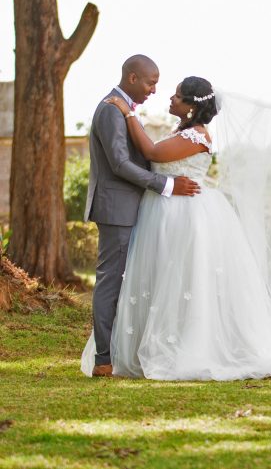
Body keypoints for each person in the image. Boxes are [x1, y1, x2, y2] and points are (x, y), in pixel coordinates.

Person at [81, 75, 271, 381]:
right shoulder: (184, 132)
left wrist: (129, 112)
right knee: (165, 283)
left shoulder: (196, 136)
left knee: (185, 281)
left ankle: (184, 346)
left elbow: (152, 153)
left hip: (184, 216)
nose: (169, 99)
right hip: (166, 213)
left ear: (190, 107)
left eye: (176, 96)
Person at [84, 55, 200, 378]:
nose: (154, 89)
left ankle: (125, 352)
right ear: (133, 78)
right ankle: (103, 359)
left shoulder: (126, 111)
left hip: (135, 209)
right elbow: (120, 164)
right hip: (116, 210)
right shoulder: (110, 109)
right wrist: (166, 184)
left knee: (131, 282)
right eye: (151, 82)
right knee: (110, 281)